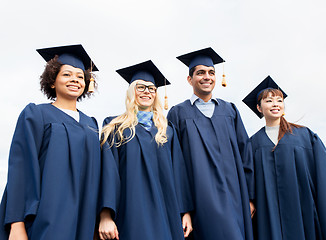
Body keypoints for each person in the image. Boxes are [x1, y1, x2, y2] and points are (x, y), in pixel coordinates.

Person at [0, 44, 101, 240]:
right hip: (47, 215)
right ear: (52, 81)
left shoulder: (91, 124)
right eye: (67, 74)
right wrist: (16, 223)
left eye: (80, 77)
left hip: (84, 217)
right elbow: (21, 169)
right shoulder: (36, 114)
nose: (74, 80)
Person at [242, 75, 326, 240]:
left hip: (304, 212)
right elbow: (248, 183)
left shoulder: (305, 137)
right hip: (269, 219)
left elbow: (323, 180)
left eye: (279, 100)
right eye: (268, 101)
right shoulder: (253, 144)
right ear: (259, 108)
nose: (275, 104)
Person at [98, 60, 193, 240]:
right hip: (131, 210)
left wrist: (185, 212)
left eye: (151, 88)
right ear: (131, 91)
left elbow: (179, 173)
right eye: (141, 87)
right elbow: (108, 173)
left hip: (166, 210)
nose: (147, 92)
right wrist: (106, 215)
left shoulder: (167, 130)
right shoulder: (114, 127)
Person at [167, 48, 254, 240]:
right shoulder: (178, 113)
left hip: (235, 197)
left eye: (211, 72)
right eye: (200, 73)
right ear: (189, 79)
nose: (207, 77)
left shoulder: (230, 110)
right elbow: (175, 164)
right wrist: (184, 209)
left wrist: (250, 197)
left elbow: (245, 153)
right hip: (199, 200)